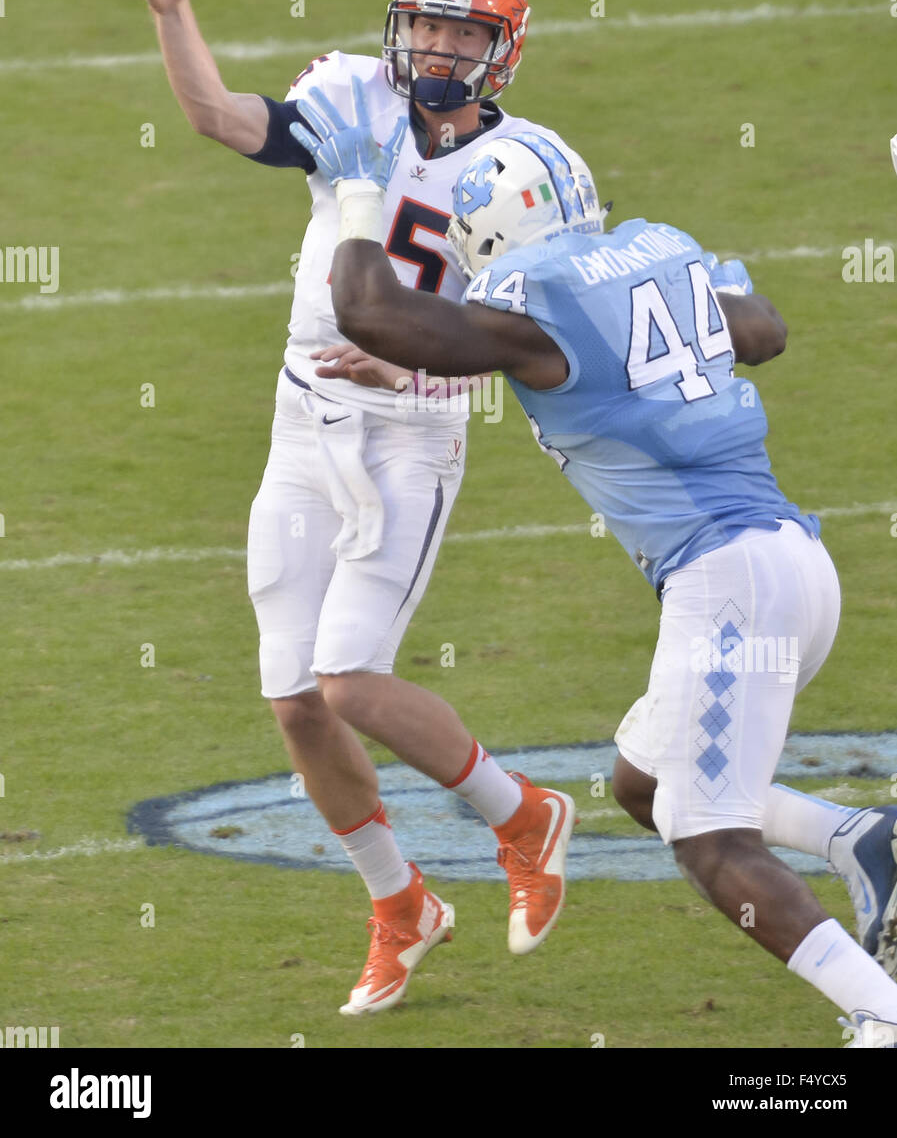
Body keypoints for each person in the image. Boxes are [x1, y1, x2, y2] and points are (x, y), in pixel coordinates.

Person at [311, 106, 897, 1046]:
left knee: (708, 839)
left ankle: (879, 1013)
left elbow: (372, 311)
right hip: (796, 565)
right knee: (643, 783)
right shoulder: (657, 248)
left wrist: (353, 192)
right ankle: (856, 839)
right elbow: (759, 333)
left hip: (725, 581)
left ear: (491, 233)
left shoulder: (531, 295)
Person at [134, 0, 588, 1016]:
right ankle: (401, 904)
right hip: (303, 425)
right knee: (294, 702)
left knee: (348, 678)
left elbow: (544, 336)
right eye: (425, 21)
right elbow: (219, 116)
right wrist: (170, 11)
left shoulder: (531, 169)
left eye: (461, 29)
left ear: (501, 50)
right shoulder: (351, 97)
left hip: (412, 431)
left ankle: (523, 814)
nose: (435, 44)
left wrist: (412, 352)